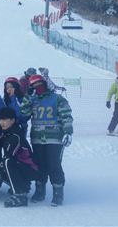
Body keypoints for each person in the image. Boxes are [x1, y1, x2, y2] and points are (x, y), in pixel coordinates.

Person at [21, 74, 73, 206]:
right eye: (34, 86)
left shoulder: (58, 99)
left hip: (54, 138)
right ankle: (40, 190)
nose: (38, 88)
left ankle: (58, 192)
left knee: (53, 164)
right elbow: (23, 115)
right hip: (37, 138)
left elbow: (66, 116)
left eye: (40, 84)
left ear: (45, 84)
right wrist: (27, 96)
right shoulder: (32, 100)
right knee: (39, 164)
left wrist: (68, 132)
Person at [0, 107, 39, 208]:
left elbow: (8, 156)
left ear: (12, 120)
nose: (2, 122)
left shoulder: (15, 135)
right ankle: (23, 186)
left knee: (7, 162)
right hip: (21, 166)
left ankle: (20, 195)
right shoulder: (6, 133)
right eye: (0, 119)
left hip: (31, 169)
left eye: (5, 120)